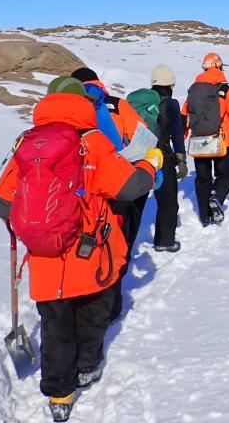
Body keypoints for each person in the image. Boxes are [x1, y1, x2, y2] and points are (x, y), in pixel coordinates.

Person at [0, 77, 162, 422]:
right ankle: (87, 367)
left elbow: (2, 202)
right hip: (90, 253)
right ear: (82, 102)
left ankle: (59, 393)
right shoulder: (92, 141)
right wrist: (149, 164)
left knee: (55, 324)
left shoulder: (26, 142)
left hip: (45, 257)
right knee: (92, 313)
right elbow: (128, 188)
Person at [70, 67, 154, 320]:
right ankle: (111, 304)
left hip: (80, 190)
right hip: (117, 183)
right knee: (117, 244)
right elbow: (142, 138)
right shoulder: (117, 105)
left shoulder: (70, 110)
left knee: (83, 245)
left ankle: (82, 299)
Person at [125, 64, 187, 252]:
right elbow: (177, 134)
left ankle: (125, 245)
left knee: (135, 203)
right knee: (167, 199)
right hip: (161, 156)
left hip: (136, 155)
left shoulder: (136, 101)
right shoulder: (171, 104)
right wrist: (181, 159)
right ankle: (164, 241)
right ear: (171, 84)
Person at [181, 52, 229, 225]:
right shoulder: (225, 90)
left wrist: (181, 137)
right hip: (221, 141)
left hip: (198, 141)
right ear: (218, 67)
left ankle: (204, 216)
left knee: (202, 179)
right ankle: (216, 197)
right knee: (225, 176)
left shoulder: (193, 90)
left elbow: (184, 115)